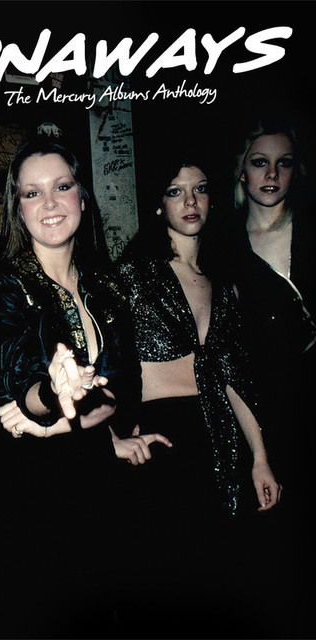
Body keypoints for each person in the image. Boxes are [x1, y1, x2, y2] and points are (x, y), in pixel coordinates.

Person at [0, 136, 171, 638]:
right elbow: (18, 383)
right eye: (32, 193)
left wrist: (102, 435)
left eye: (62, 187)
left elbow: (121, 387)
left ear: (82, 196)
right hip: (32, 492)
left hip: (95, 478)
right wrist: (49, 395)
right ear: (18, 208)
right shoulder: (5, 286)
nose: (50, 203)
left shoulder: (106, 284)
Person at [115, 147, 281, 637]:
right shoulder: (132, 276)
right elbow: (106, 367)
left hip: (221, 442)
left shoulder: (224, 282)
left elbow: (233, 376)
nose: (190, 202)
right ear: (158, 203)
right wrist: (116, 435)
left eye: (200, 189)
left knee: (225, 589)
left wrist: (260, 458)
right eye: (176, 191)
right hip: (162, 446)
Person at [229, 116, 315, 638]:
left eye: (283, 163)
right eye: (259, 162)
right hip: (269, 412)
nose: (271, 174)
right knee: (281, 550)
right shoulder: (225, 247)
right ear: (242, 171)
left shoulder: (310, 231)